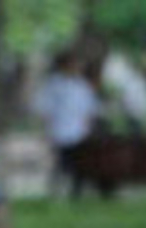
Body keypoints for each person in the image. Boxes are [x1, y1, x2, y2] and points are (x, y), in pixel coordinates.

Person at [32, 51, 100, 195]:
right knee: (61, 163)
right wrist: (47, 128)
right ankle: (57, 190)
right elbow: (44, 108)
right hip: (60, 131)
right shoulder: (53, 85)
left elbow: (90, 108)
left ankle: (76, 191)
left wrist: (87, 127)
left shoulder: (81, 86)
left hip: (79, 132)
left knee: (78, 163)